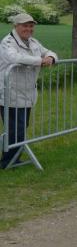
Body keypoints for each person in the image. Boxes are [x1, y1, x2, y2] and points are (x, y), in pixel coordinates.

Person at [0, 13, 58, 168]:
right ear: (16, 26)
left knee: (20, 128)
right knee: (15, 129)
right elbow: (15, 58)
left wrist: (51, 58)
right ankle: (7, 162)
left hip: (27, 93)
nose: (29, 29)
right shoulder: (7, 42)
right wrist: (40, 61)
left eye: (31, 26)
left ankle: (13, 159)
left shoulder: (33, 42)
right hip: (10, 93)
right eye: (25, 26)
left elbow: (48, 52)